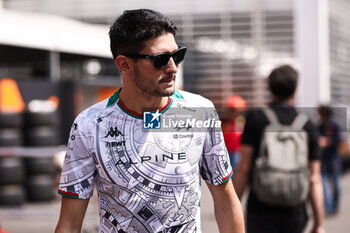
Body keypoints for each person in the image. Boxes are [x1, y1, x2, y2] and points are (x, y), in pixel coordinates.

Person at [55, 9, 245, 233]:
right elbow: (69, 223)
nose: (173, 67)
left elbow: (225, 201)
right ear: (124, 64)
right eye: (161, 59)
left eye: (177, 55)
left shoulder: (200, 112)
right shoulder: (89, 125)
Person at [234, 65, 325, 233]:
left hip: (260, 208)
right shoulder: (307, 124)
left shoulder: (256, 118)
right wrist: (319, 223)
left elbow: (243, 169)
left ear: (269, 87)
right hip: (295, 208)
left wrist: (233, 205)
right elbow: (314, 178)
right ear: (296, 89)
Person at [318, 105, 342, 216]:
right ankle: (329, 208)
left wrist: (327, 141)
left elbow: (339, 140)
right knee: (324, 186)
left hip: (334, 159)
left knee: (336, 186)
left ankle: (335, 205)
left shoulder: (334, 125)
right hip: (322, 160)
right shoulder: (319, 126)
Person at [222, 95, 247, 174]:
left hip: (237, 151)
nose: (234, 113)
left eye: (235, 111)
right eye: (231, 110)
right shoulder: (224, 123)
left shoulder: (241, 121)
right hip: (226, 152)